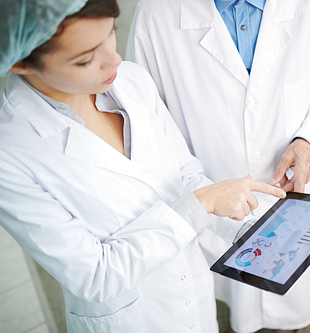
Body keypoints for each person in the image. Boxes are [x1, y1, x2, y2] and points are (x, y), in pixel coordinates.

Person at [0, 1, 286, 332]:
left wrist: (244, 230)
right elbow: (97, 275)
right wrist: (200, 205)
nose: (114, 59)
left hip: (194, 299)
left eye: (112, 33)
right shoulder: (11, 153)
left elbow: (185, 175)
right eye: (85, 59)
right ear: (20, 62)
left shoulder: (132, 81)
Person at [126, 0, 310, 332]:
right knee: (232, 310)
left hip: (298, 200)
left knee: (299, 315)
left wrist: (308, 140)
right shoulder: (158, 12)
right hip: (214, 202)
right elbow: (146, 119)